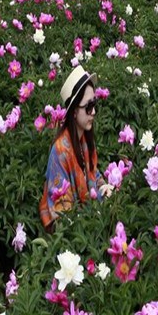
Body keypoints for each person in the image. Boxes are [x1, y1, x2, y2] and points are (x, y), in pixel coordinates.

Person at [39, 66, 113, 232]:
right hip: (68, 232)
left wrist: (104, 187)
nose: (93, 112)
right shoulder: (60, 152)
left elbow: (94, 173)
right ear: (73, 112)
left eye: (94, 104)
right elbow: (62, 213)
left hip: (88, 220)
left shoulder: (84, 141)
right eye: (88, 107)